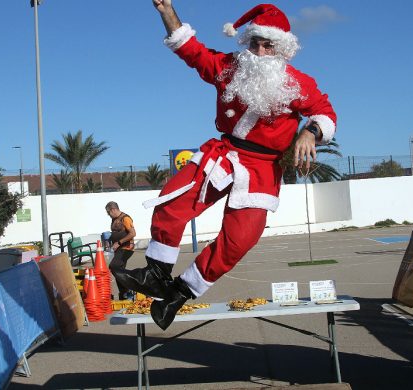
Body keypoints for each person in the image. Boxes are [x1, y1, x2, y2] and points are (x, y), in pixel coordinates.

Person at [115, 0, 337, 330]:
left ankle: (179, 293)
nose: (260, 51)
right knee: (172, 200)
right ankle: (156, 272)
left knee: (239, 240)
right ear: (246, 43)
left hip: (262, 168)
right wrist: (166, 12)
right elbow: (191, 50)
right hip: (224, 153)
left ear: (282, 49)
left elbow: (325, 114)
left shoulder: (298, 83)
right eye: (254, 43)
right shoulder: (230, 68)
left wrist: (310, 132)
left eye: (268, 44)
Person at [105, 201, 136, 300]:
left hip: (126, 248)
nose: (108, 214)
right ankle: (124, 294)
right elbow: (116, 233)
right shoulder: (114, 219)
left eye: (108, 212)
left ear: (113, 209)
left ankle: (129, 287)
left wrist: (119, 242)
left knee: (114, 266)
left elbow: (132, 233)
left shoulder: (125, 218)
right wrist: (109, 240)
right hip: (118, 249)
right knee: (118, 270)